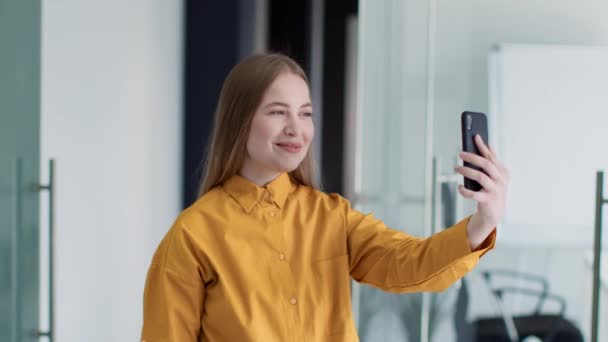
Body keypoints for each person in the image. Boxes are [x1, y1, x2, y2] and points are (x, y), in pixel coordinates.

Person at [140, 53, 509, 341]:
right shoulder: (192, 236)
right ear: (240, 121)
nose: (296, 129)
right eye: (278, 112)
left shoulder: (333, 217)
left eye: (305, 114)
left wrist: (483, 222)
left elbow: (410, 264)